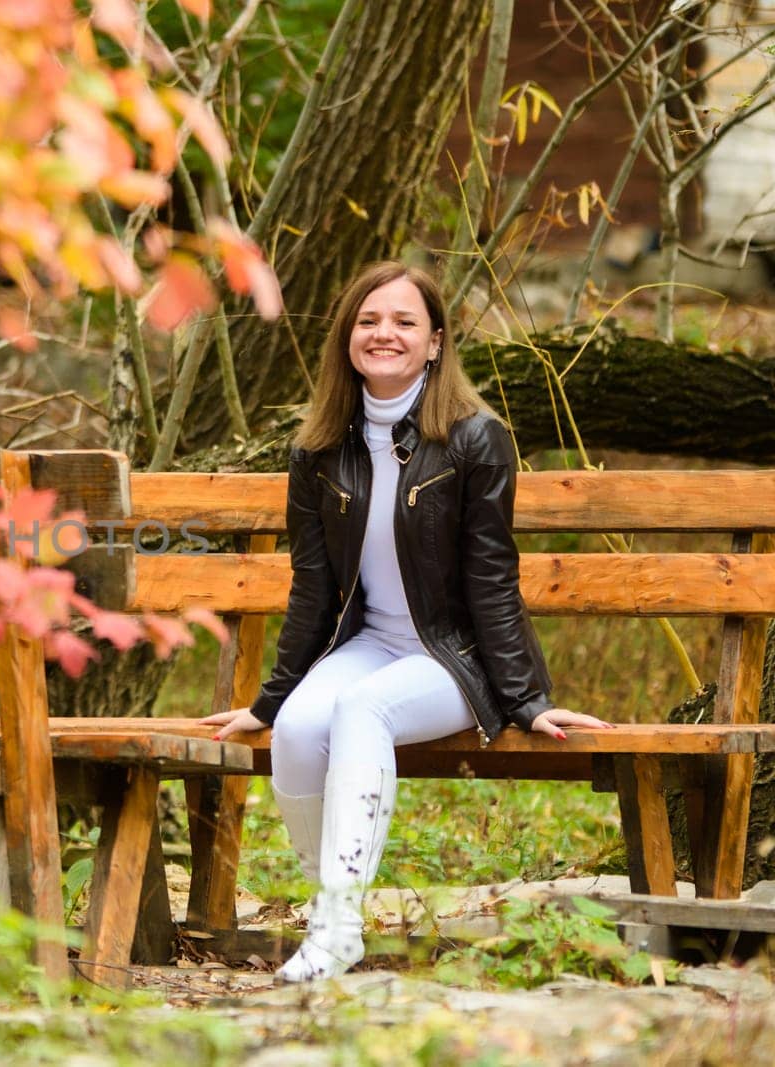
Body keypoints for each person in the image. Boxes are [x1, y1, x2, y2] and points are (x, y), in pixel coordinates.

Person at [198, 261, 610, 984]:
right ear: (346, 339)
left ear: (435, 343)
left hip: (453, 657)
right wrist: (270, 701)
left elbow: (492, 578)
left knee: (364, 710)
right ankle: (334, 916)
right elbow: (314, 592)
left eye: (403, 321)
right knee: (297, 728)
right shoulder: (319, 449)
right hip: (371, 645)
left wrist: (527, 698)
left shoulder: (476, 441)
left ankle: (335, 927)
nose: (383, 332)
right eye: (368, 320)